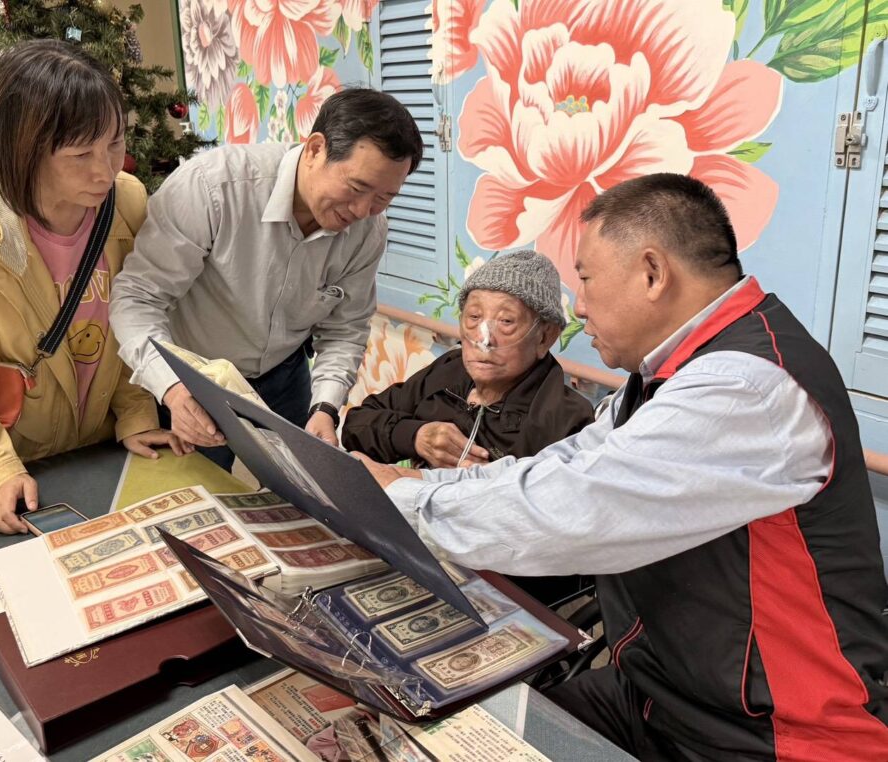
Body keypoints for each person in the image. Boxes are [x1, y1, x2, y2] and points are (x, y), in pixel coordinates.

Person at [354, 174, 888, 759]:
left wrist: (390, 498)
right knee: (452, 735)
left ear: (653, 273)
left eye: (584, 278)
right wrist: (417, 482)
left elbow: (568, 509)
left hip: (774, 731)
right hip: (657, 688)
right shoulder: (660, 375)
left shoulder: (746, 386)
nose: (579, 307)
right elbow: (561, 467)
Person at [0, 40, 176, 534]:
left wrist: (135, 414)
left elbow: (133, 323)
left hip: (89, 456)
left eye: (114, 143)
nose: (105, 171)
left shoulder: (126, 204)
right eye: (80, 153)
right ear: (25, 150)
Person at [110, 88, 423, 469]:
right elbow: (138, 299)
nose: (363, 210)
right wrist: (173, 389)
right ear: (315, 149)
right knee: (200, 495)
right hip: (193, 380)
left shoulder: (368, 230)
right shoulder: (214, 188)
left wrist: (325, 407)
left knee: (286, 507)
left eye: (384, 198)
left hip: (286, 382)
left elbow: (346, 328)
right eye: (357, 188)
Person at [341, 250, 592, 468]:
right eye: (473, 317)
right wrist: (415, 435)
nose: (484, 339)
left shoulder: (567, 420)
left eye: (506, 321)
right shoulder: (449, 371)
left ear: (545, 338)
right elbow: (356, 426)